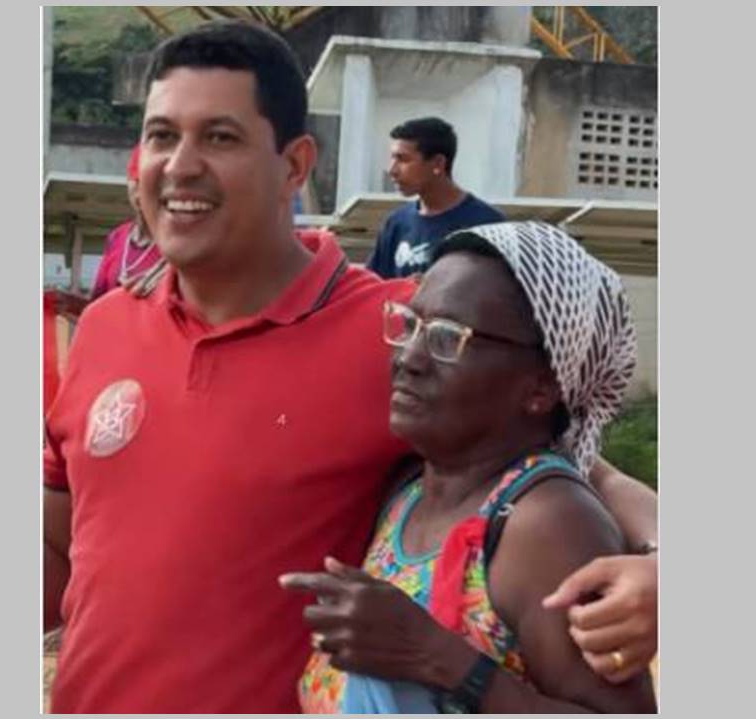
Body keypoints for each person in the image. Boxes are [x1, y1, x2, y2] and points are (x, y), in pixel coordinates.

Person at [42, 20, 656, 714]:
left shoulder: (400, 335)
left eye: (219, 137)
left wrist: (664, 569)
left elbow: (581, 464)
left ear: (295, 165)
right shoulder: (103, 328)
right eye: (161, 135)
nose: (180, 165)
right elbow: (62, 546)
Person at [282, 221, 656, 713]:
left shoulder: (544, 523)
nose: (409, 358)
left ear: (541, 387)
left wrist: (443, 660)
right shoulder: (411, 490)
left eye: (447, 338)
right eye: (409, 326)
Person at [365, 117, 506, 278]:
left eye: (403, 159)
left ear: (438, 163)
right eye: (392, 158)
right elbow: (375, 285)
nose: (392, 170)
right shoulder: (397, 223)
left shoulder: (487, 224)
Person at [88, 144, 164, 300]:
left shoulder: (177, 240)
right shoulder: (118, 236)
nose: (139, 193)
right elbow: (97, 300)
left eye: (147, 184)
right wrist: (70, 303)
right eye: (135, 182)